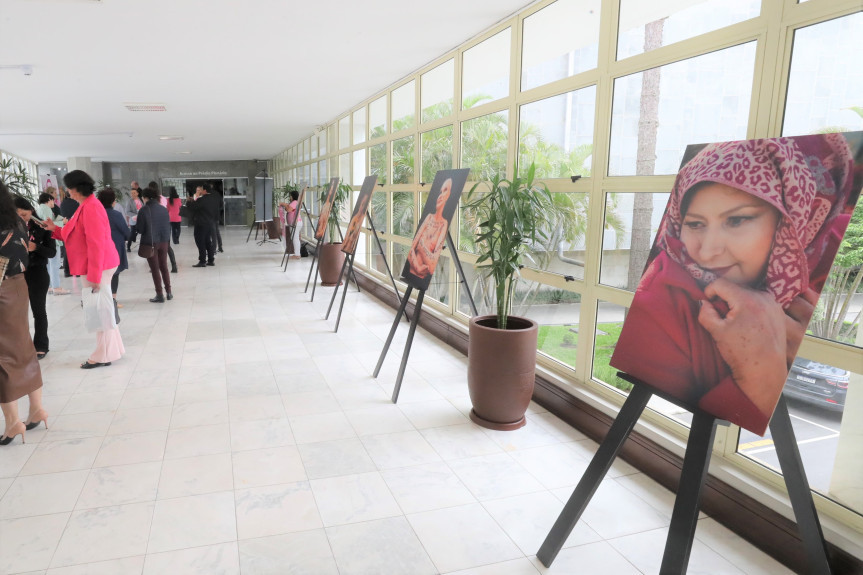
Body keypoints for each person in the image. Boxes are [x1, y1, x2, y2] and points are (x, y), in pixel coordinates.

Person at [610, 135, 857, 435]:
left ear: (790, 219)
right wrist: (761, 375)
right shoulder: (659, 299)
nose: (708, 250)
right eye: (695, 224)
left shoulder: (824, 247)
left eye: (737, 220)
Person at [43, 170, 125, 369]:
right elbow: (77, 234)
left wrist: (95, 276)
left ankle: (102, 355)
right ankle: (113, 350)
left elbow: (96, 243)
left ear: (76, 188)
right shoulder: (86, 205)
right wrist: (55, 229)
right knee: (102, 309)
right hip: (95, 264)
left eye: (68, 188)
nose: (66, 192)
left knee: (100, 311)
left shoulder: (91, 207)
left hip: (98, 265)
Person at [0, 180, 47, 444]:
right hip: (19, 286)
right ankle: (37, 409)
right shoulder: (16, 221)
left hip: (1, 289)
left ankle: (12, 423)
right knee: (24, 346)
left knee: (3, 355)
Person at [14, 196, 56, 360]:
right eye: (18, 216)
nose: (22, 219)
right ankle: (21, 346)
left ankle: (41, 345)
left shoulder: (42, 227)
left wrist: (36, 247)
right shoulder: (10, 229)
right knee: (17, 313)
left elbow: (51, 253)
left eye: (24, 215)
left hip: (37, 272)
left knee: (38, 311)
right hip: (17, 274)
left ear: (31, 210)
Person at [407, 177, 453, 279]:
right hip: (412, 272)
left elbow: (432, 267)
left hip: (422, 278)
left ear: (449, 194)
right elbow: (411, 250)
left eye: (445, 190)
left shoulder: (443, 224)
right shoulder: (429, 217)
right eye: (440, 192)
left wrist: (421, 245)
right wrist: (418, 268)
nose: (440, 196)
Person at [96, 188, 130, 322]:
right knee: (114, 274)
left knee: (102, 276)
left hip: (98, 250)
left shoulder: (95, 214)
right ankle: (113, 300)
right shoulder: (115, 215)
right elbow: (126, 233)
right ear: (112, 201)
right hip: (114, 249)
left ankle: (104, 299)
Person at [136, 187, 173, 302]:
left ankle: (160, 295)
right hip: (164, 241)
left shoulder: (144, 210)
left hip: (151, 243)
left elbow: (140, 230)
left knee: (155, 269)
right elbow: (167, 226)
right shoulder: (163, 209)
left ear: (144, 197)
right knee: (164, 267)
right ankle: (169, 292)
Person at [36, 192, 69, 295]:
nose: (54, 202)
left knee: (49, 264)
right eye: (53, 200)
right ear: (48, 200)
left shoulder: (39, 208)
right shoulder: (46, 208)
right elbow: (48, 224)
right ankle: (56, 287)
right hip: (51, 239)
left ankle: (50, 286)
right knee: (54, 264)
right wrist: (62, 222)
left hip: (45, 239)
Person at [146, 182, 177, 273]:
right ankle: (174, 266)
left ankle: (156, 266)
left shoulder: (151, 200)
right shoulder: (163, 198)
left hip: (155, 224)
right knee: (166, 246)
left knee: (155, 245)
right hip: (165, 224)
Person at [186, 183, 219, 267]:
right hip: (210, 223)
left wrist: (189, 201)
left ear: (204, 190)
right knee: (208, 241)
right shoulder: (213, 199)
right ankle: (211, 260)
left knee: (200, 242)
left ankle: (202, 261)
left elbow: (192, 207)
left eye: (202, 189)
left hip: (201, 223)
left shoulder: (202, 199)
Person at [59, 186, 79, 278]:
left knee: (67, 250)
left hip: (65, 228)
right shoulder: (76, 203)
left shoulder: (62, 204)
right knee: (77, 250)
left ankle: (67, 271)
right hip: (75, 227)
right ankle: (78, 271)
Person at [342, 190, 369, 255]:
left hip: (351, 243)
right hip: (349, 243)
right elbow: (349, 233)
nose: (361, 206)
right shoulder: (355, 218)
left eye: (364, 204)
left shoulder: (361, 217)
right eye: (361, 203)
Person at [280, 190, 303, 259]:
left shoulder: (294, 202)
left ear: (292, 196)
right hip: (296, 223)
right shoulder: (296, 202)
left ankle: (297, 255)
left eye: (290, 195)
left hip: (295, 223)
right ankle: (297, 254)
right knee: (295, 238)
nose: (290, 197)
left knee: (295, 239)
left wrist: (283, 204)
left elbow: (289, 209)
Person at [126, 187, 142, 252]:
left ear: (137, 193)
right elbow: (127, 212)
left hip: (141, 220)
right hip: (133, 220)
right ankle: (128, 246)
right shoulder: (129, 201)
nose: (132, 194)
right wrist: (135, 215)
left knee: (141, 233)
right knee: (132, 233)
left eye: (134, 193)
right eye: (131, 193)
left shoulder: (141, 200)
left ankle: (142, 246)